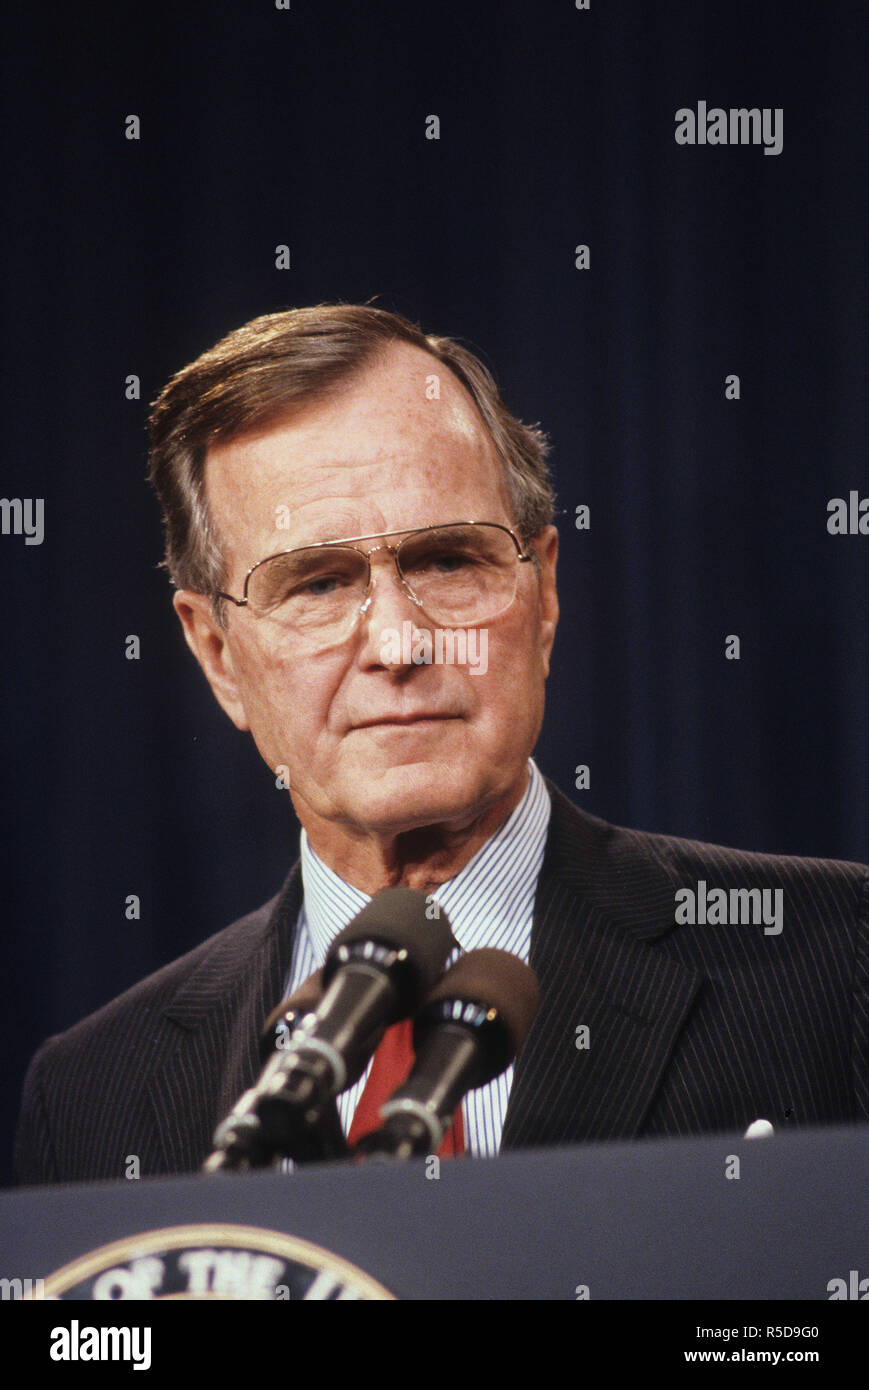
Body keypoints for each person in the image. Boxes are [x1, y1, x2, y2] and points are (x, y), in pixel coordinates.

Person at [14, 305, 869, 1184]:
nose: (397, 643)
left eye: (446, 562)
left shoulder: (837, 967)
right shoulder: (91, 1096)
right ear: (219, 655)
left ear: (542, 598)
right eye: (315, 582)